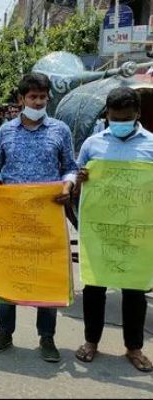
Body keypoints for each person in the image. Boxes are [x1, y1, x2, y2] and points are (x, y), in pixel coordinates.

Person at [0, 72, 78, 363]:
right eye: (32, 97)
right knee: (8, 270)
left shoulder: (60, 130)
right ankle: (4, 331)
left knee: (45, 274)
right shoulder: (6, 132)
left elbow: (70, 167)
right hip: (11, 217)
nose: (38, 102)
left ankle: (47, 337)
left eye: (42, 97)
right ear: (20, 99)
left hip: (46, 215)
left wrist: (69, 185)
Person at [73, 87, 153, 372]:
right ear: (107, 115)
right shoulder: (92, 144)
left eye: (126, 117)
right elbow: (77, 184)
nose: (120, 122)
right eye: (115, 117)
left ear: (138, 115)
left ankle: (134, 348)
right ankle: (90, 342)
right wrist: (80, 180)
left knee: (134, 291)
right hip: (99, 231)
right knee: (94, 288)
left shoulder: (151, 145)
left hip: (136, 234)